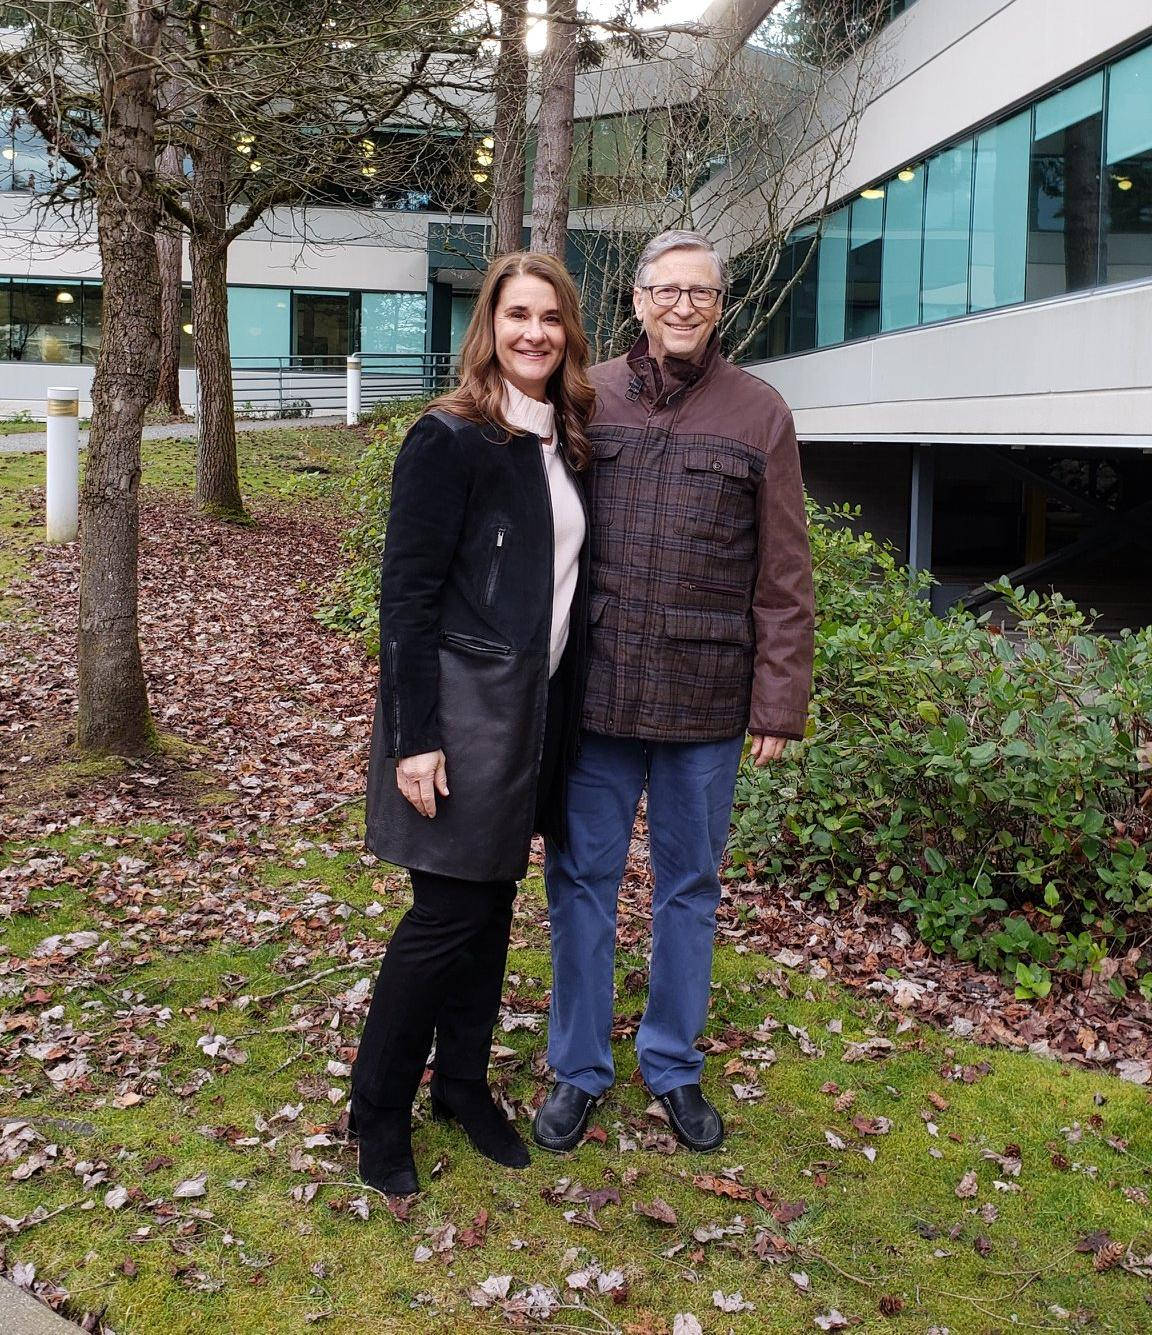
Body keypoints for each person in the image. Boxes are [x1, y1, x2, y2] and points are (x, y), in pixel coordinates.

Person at [534, 229, 814, 1155]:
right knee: (581, 883)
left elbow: (784, 574)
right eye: (668, 290)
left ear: (719, 305)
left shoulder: (758, 412)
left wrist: (779, 699)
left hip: (705, 702)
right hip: (600, 693)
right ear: (640, 300)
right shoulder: (589, 396)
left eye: (701, 291)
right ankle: (577, 1068)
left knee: (688, 889)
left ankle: (673, 1064)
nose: (683, 305)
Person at [352, 251, 594, 1195]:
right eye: (516, 314)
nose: (534, 331)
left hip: (531, 715)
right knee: (444, 914)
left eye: (550, 317)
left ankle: (460, 1083)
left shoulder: (564, 441)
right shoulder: (449, 437)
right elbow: (405, 598)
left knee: (490, 910)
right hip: (456, 716)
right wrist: (416, 737)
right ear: (488, 326)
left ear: (570, 332)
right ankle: (377, 1105)